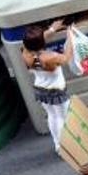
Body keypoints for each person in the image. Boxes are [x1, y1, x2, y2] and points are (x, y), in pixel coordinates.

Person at [21, 19, 73, 151]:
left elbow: (33, 43)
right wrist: (70, 35)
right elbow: (66, 57)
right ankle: (65, 147)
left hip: (41, 89)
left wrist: (52, 30)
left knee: (52, 116)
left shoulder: (25, 52)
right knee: (63, 117)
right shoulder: (51, 57)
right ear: (42, 43)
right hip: (56, 91)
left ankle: (57, 144)